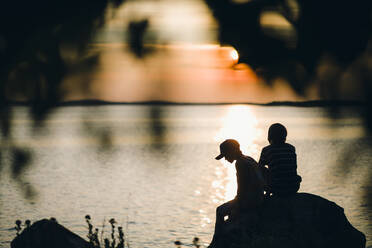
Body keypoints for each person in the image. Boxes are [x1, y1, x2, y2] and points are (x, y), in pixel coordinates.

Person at [209, 139, 265, 248]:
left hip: (250, 201)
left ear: (232, 151)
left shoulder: (240, 163)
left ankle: (216, 241)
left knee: (220, 210)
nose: (225, 158)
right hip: (258, 197)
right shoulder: (249, 159)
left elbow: (242, 188)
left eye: (225, 155)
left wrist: (237, 205)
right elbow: (262, 174)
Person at [258, 123, 302, 197]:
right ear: (285, 136)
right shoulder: (291, 148)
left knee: (260, 169)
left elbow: (259, 168)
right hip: (294, 186)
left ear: (269, 136)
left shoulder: (267, 150)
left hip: (277, 188)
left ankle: (266, 194)